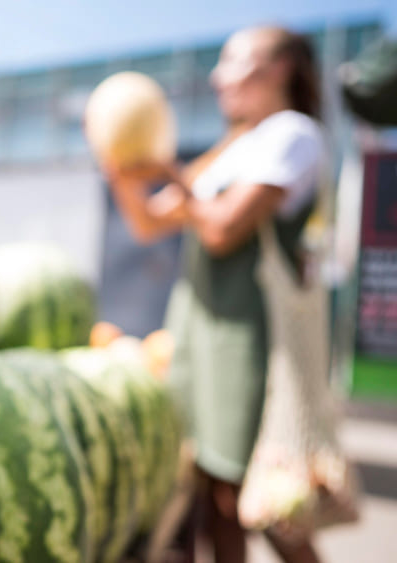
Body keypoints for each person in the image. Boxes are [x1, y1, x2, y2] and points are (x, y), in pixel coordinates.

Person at [106, 26, 327, 563]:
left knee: (261, 499)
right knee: (214, 497)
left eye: (232, 61)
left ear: (277, 70)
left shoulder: (292, 134)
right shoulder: (237, 143)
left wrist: (171, 176)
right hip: (200, 332)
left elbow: (225, 230)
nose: (217, 75)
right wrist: (117, 163)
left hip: (245, 338)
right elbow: (148, 223)